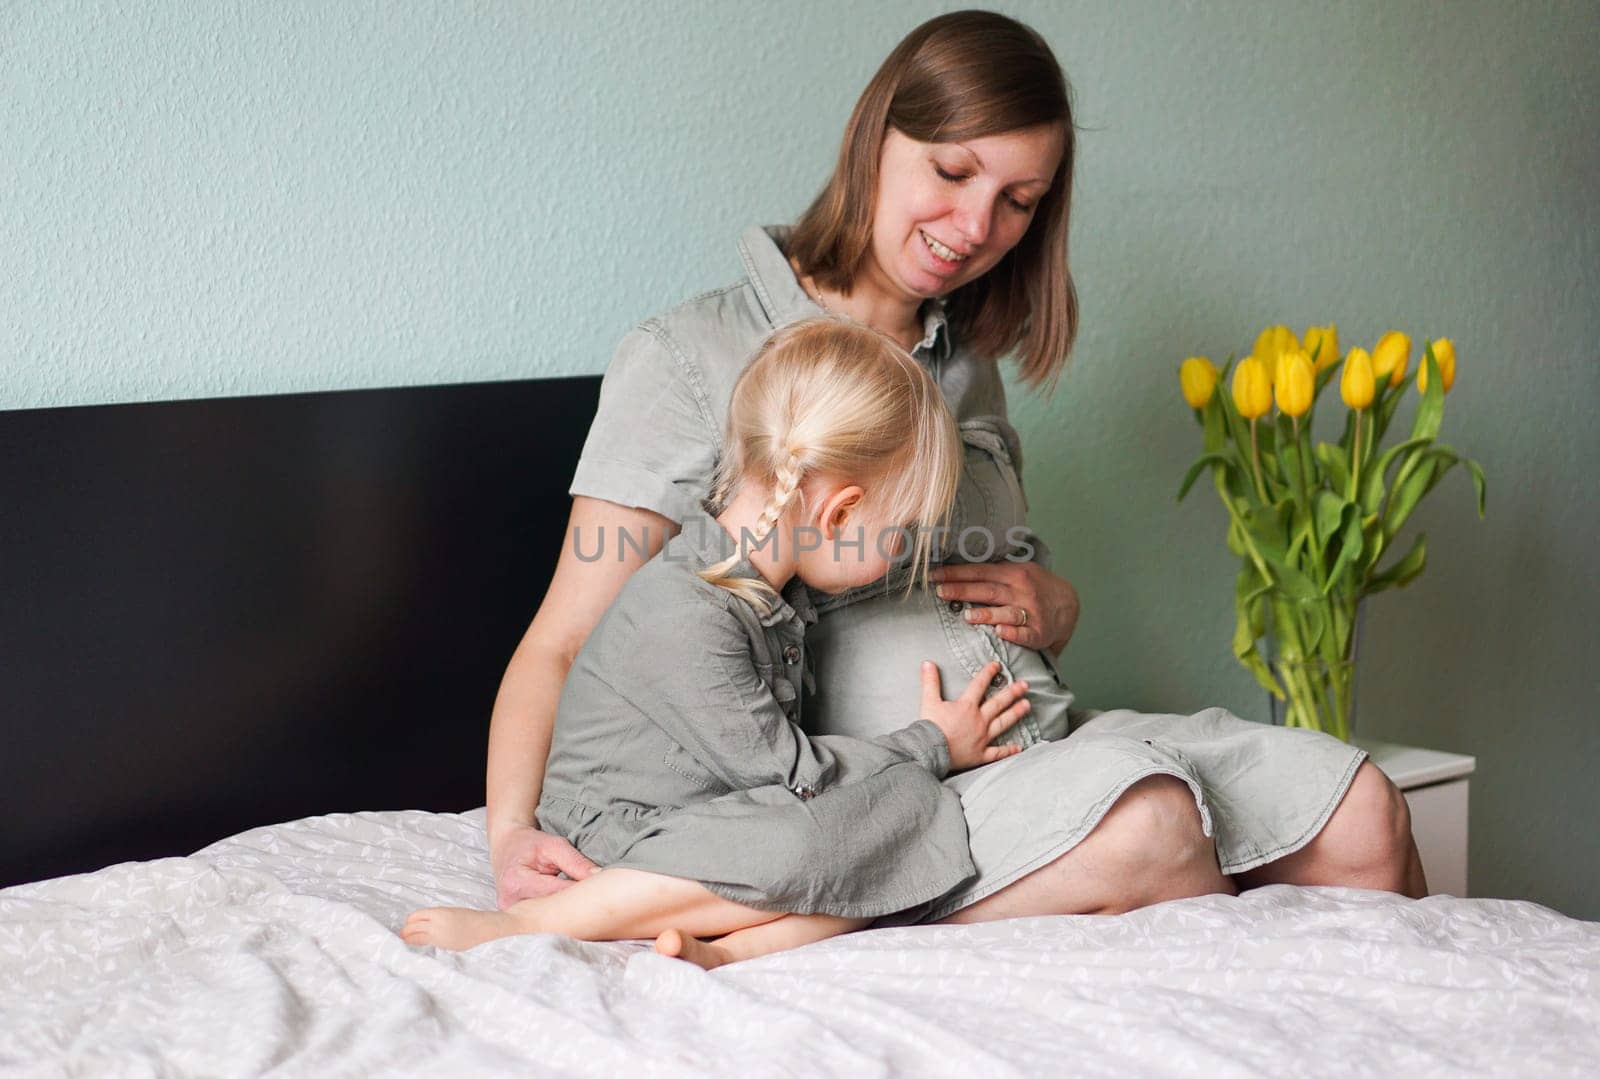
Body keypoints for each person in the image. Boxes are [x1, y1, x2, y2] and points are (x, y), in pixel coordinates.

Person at [486, 10, 1426, 937]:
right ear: (877, 138)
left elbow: (990, 568)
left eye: (1019, 200)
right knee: (1152, 826)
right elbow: (568, 639)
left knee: (1367, 812)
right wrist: (509, 834)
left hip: (1050, 738)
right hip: (908, 791)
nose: (977, 225)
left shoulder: (969, 363)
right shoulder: (692, 355)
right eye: (953, 171)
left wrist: (1055, 605)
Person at [403, 319, 1033, 963]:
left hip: (710, 819)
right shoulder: (688, 612)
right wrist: (933, 743)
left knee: (913, 811)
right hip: (618, 838)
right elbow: (797, 779)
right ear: (839, 513)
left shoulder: (771, 594)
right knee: (834, 831)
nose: (902, 557)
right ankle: (536, 924)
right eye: (900, 533)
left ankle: (734, 951)